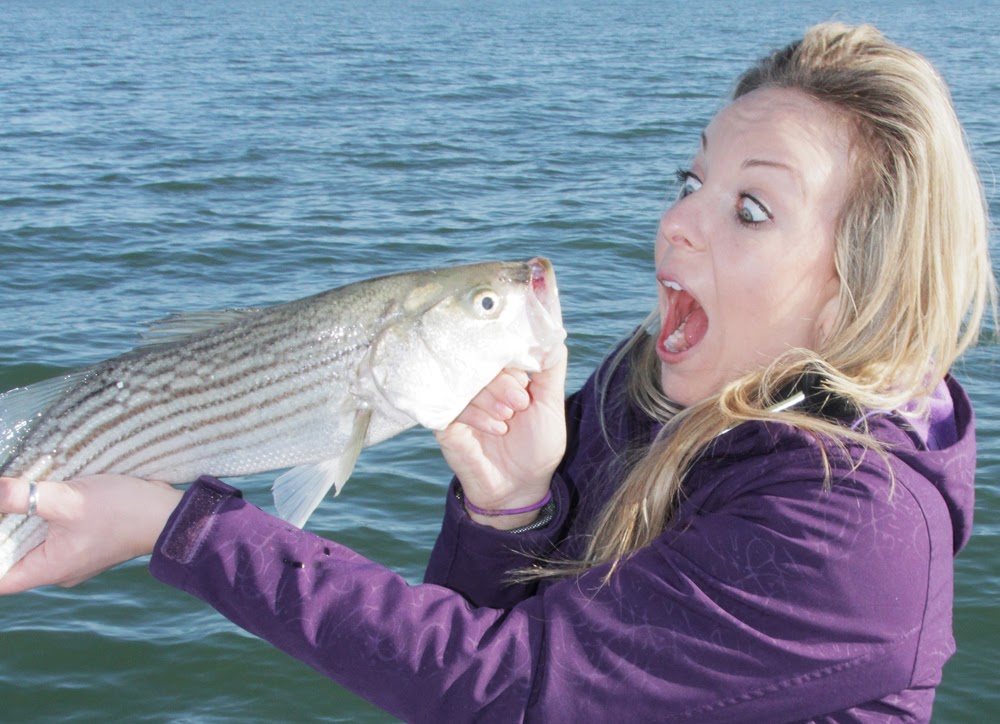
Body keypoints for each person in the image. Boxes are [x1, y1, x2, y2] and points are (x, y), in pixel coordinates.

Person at [0, 22, 995, 723]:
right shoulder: (643, 383)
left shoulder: (860, 535)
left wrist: (177, 526)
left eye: (748, 209)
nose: (677, 220)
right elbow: (487, 643)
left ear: (856, 282)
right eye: (689, 180)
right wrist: (511, 507)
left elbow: (511, 689)